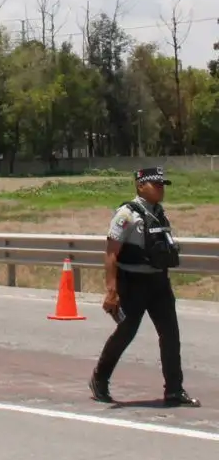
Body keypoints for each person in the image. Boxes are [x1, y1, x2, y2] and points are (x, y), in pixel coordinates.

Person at [89, 167, 199, 407]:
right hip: (133, 284)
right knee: (125, 333)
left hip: (159, 282)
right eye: (155, 184)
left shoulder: (159, 213)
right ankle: (99, 379)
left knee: (170, 336)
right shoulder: (126, 214)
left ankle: (173, 390)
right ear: (140, 186)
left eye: (162, 185)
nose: (161, 189)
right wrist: (111, 291)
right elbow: (111, 254)